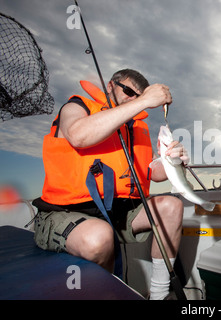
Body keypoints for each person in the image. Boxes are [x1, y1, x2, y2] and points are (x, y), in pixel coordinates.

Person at [33, 69, 188, 300]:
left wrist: (175, 162)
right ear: (110, 85)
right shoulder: (77, 106)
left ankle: (158, 294)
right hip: (67, 212)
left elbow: (152, 173)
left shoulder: (136, 127)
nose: (132, 99)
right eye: (127, 91)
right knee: (98, 237)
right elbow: (78, 136)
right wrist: (145, 100)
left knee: (172, 207)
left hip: (118, 214)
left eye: (138, 96)